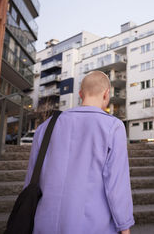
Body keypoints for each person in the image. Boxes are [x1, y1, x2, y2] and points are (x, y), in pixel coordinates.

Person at [24, 71, 134, 234]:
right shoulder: (113, 127)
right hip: (93, 225)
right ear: (106, 94)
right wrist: (124, 225)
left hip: (45, 223)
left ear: (81, 94)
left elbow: (32, 178)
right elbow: (117, 183)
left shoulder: (45, 127)